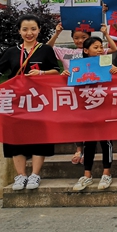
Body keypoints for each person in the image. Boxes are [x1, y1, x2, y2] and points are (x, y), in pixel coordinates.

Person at [0, 15, 60, 191]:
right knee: (14, 137)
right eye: (25, 29)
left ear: (39, 30)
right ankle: (21, 175)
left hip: (39, 101)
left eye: (33, 29)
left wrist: (41, 74)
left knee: (39, 136)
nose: (29, 33)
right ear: (19, 31)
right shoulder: (11, 51)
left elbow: (56, 71)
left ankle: (35, 175)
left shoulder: (46, 50)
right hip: (15, 101)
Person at [72, 36, 117, 192]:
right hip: (87, 109)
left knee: (106, 141)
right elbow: (71, 82)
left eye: (101, 47)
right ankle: (87, 174)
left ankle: (107, 173)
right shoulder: (78, 66)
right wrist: (66, 74)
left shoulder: (106, 62)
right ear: (86, 50)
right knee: (89, 141)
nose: (100, 50)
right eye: (96, 47)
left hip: (105, 108)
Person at [47, 22, 99, 165]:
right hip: (73, 92)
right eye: (76, 38)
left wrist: (105, 32)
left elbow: (111, 52)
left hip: (91, 92)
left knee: (89, 121)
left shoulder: (95, 51)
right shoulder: (66, 52)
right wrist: (57, 33)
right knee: (76, 121)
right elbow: (47, 49)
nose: (80, 40)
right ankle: (78, 149)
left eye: (83, 37)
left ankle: (88, 150)